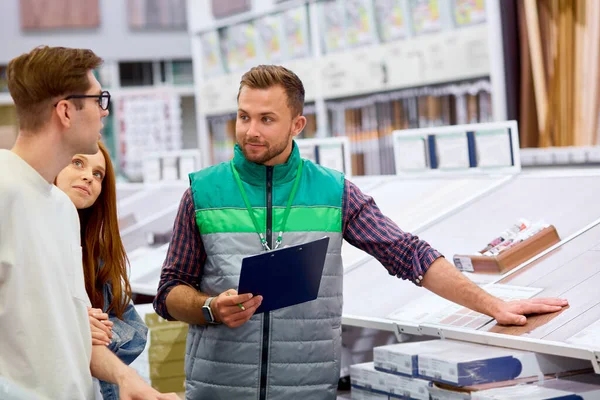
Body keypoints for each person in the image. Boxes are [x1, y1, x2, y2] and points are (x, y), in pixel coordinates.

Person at [153, 65, 569, 399]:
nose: (250, 132)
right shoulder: (203, 192)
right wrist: (209, 307)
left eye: (266, 119)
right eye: (243, 117)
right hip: (217, 389)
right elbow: (169, 292)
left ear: (298, 124)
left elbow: (407, 253)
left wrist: (491, 304)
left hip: (307, 391)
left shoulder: (334, 192)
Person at [0, 45, 177, 400]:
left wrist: (127, 380)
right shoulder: (4, 192)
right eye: (100, 100)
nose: (104, 113)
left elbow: (80, 331)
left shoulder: (62, 210)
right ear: (65, 111)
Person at [56, 141, 149, 399]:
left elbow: (136, 333)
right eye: (77, 163)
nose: (89, 176)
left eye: (98, 174)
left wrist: (91, 332)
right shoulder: (23, 235)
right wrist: (72, 323)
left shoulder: (93, 255)